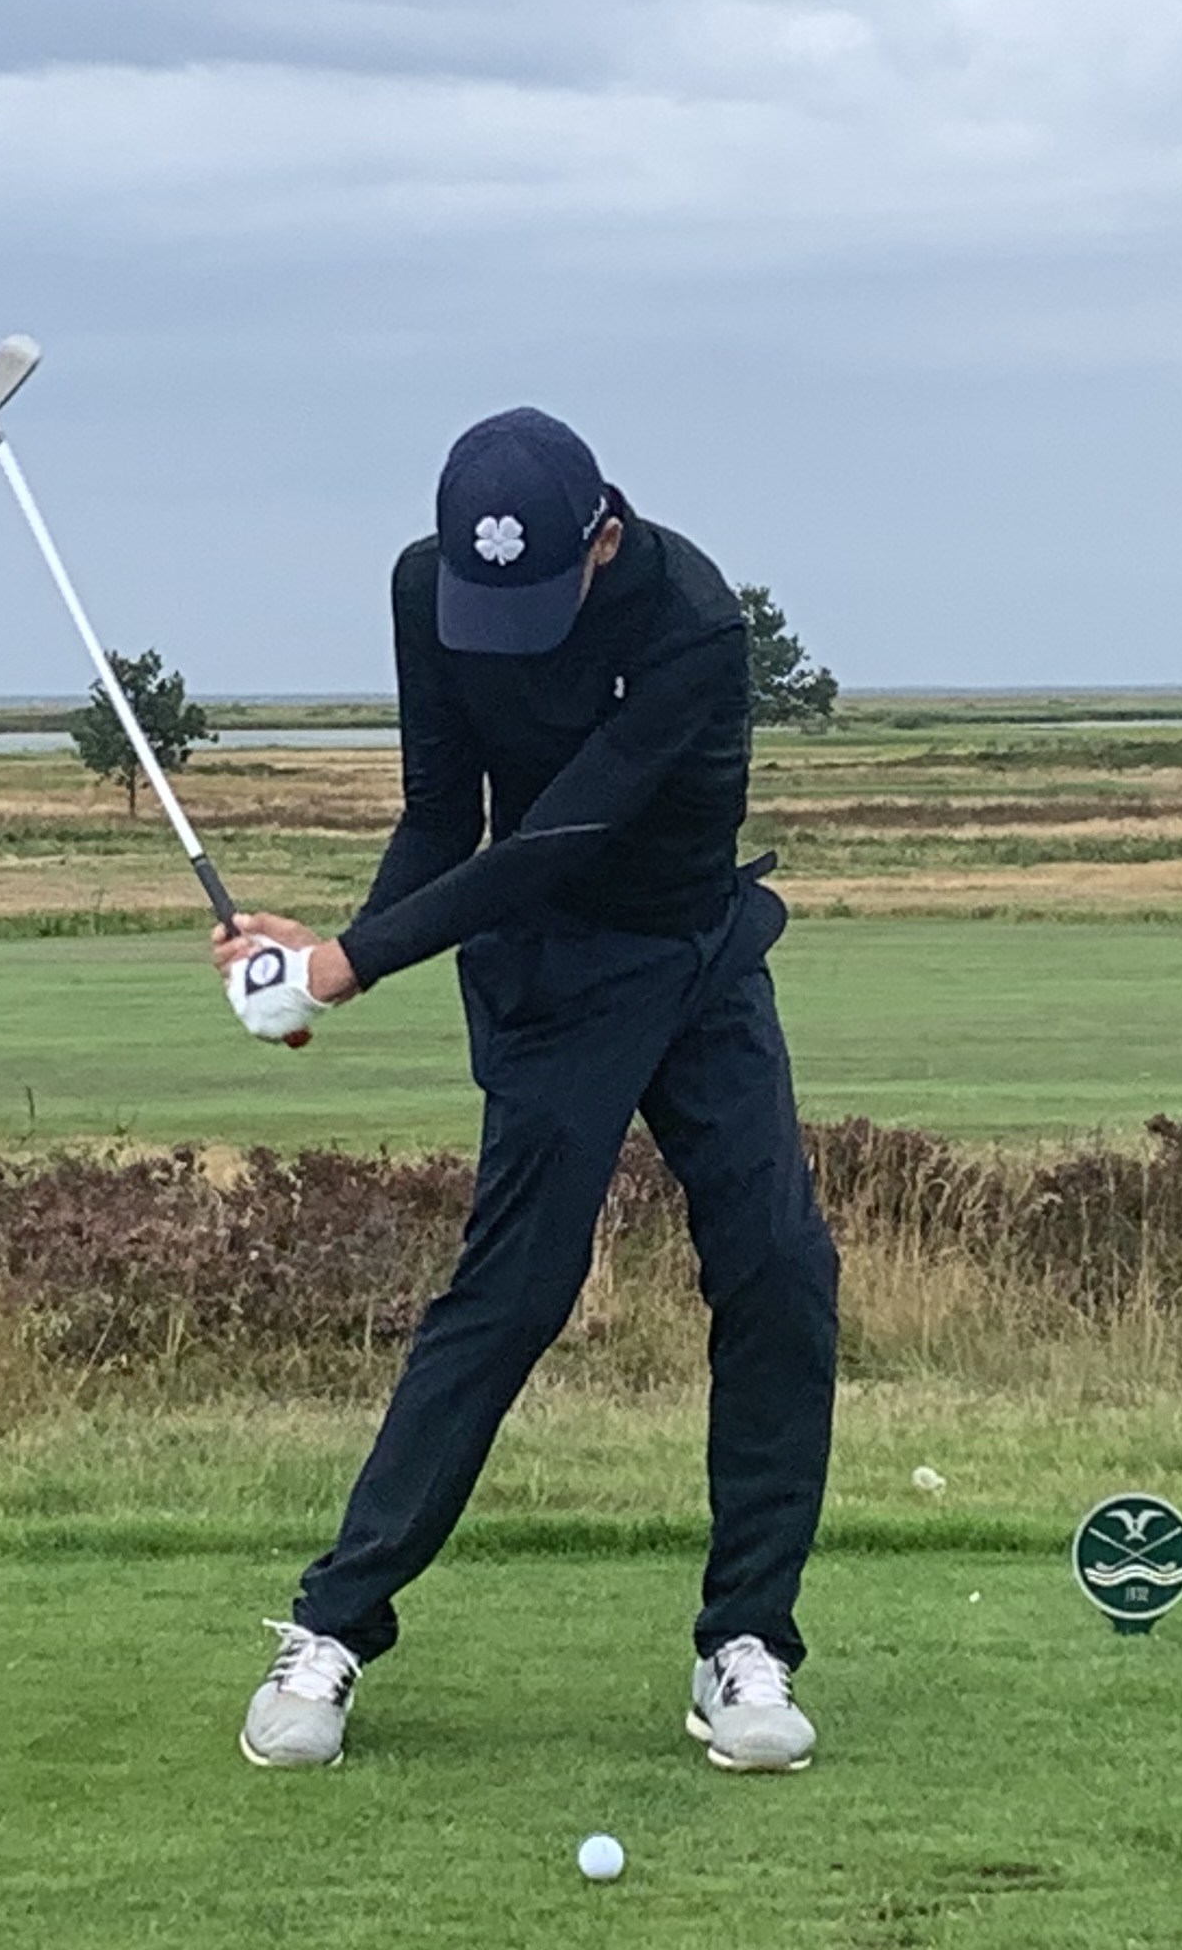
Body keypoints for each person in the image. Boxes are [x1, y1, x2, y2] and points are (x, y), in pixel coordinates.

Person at [214, 407, 842, 1775]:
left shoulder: (691, 621)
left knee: (781, 1268)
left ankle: (746, 1645)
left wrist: (344, 964)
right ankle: (330, 1630)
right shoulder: (426, 591)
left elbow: (561, 833)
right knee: (513, 1290)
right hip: (549, 981)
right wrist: (329, 967)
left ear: (603, 537)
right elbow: (447, 813)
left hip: (692, 956)